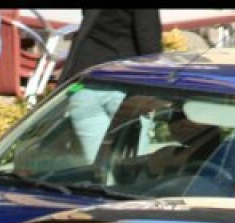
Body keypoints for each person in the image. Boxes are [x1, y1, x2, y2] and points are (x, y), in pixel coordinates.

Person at [63, 10, 163, 163]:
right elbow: (149, 43)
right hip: (125, 85)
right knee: (131, 167)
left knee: (98, 167)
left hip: (84, 83)